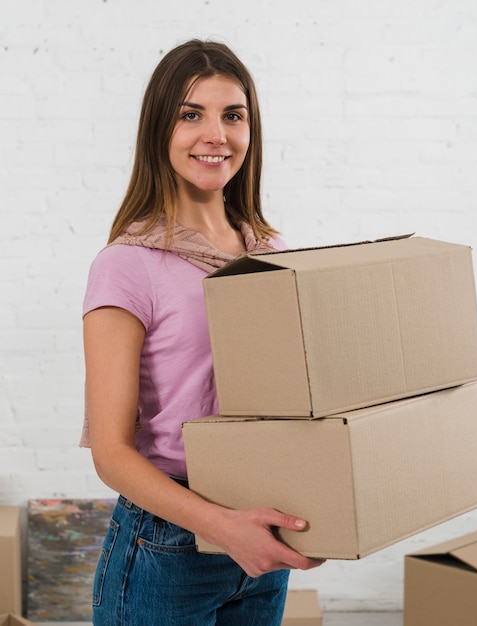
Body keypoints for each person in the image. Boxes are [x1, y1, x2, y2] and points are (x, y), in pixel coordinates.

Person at [81, 39, 324, 626]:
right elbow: (112, 454)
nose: (216, 134)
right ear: (159, 129)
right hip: (167, 544)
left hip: (260, 532)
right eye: (192, 114)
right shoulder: (127, 263)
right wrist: (221, 527)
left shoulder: (272, 253)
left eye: (232, 115)